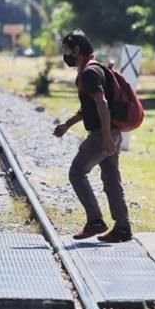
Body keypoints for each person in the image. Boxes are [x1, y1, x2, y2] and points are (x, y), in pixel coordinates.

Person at [52, 30, 132, 243]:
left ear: (77, 50)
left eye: (66, 51)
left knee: (77, 173)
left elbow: (102, 105)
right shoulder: (97, 68)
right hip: (113, 132)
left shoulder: (89, 73)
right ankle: (122, 227)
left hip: (102, 135)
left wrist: (105, 138)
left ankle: (95, 220)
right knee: (111, 179)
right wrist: (67, 125)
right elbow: (88, 109)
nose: (65, 55)